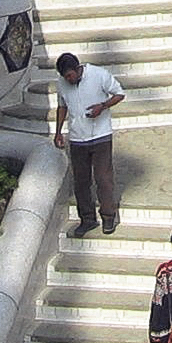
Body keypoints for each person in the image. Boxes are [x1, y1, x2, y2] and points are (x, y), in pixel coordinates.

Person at [52, 52, 124, 234]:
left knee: (103, 178)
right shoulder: (61, 84)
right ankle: (87, 219)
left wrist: (103, 106)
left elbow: (119, 94)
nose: (68, 80)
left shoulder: (99, 75)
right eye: (65, 77)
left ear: (77, 69)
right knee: (81, 182)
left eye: (70, 76)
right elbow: (62, 106)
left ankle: (108, 216)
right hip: (77, 139)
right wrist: (59, 131)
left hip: (101, 136)